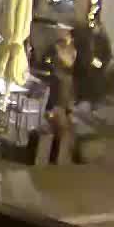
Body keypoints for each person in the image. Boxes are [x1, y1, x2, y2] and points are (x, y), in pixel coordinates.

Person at [43, 30, 79, 164]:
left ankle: (54, 158)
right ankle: (53, 157)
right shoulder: (56, 48)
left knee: (60, 129)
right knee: (56, 125)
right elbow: (47, 61)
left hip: (63, 91)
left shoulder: (71, 51)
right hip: (57, 88)